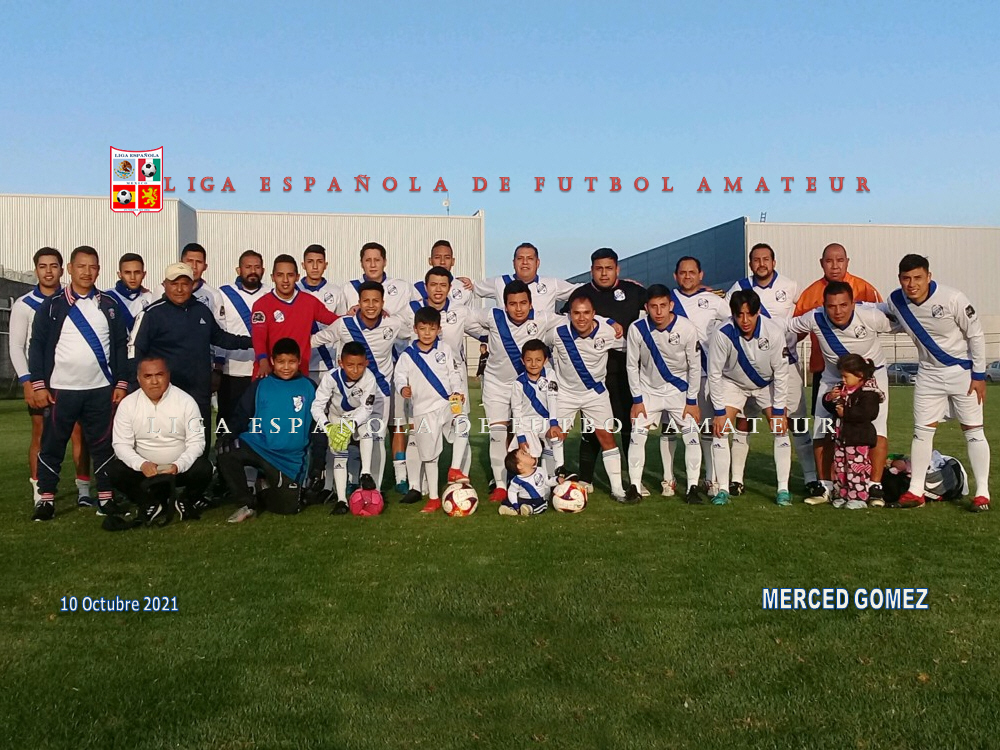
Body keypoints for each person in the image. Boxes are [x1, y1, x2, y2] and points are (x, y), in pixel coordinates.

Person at [27, 246, 129, 521]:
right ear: (70, 269)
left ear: (99, 270)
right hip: (61, 390)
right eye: (81, 266)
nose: (87, 272)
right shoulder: (53, 305)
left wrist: (121, 383)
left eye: (92, 267)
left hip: (100, 389)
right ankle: (46, 499)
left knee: (103, 445)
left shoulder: (109, 304)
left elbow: (121, 345)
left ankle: (105, 498)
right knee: (52, 445)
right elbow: (37, 346)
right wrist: (39, 384)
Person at [882, 254, 990, 511]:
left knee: (973, 431)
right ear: (899, 279)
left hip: (962, 373)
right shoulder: (895, 300)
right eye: (906, 278)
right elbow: (883, 316)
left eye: (918, 277)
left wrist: (978, 375)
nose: (912, 284)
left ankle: (982, 493)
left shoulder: (953, 298)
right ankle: (915, 491)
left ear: (929, 276)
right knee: (921, 432)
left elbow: (975, 335)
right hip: (928, 374)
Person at [786, 281, 894, 506]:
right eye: (832, 306)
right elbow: (785, 326)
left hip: (872, 378)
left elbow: (905, 322)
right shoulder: (815, 318)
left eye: (843, 305)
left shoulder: (871, 316)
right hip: (832, 378)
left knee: (877, 428)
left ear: (853, 303)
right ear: (823, 305)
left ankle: (874, 487)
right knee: (822, 429)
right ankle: (824, 486)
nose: (838, 311)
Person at [725, 243, 819, 498]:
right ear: (750, 263)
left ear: (774, 262)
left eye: (766, 259)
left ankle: (811, 478)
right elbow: (725, 318)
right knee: (745, 422)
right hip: (749, 368)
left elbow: (806, 314)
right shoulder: (738, 288)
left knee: (797, 422)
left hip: (786, 364)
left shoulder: (790, 286)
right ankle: (736, 479)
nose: (761, 264)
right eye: (756, 260)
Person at [131, 262, 254, 453]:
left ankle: (201, 471)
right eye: (174, 284)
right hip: (168, 391)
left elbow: (221, 338)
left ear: (192, 285)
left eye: (185, 284)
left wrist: (255, 341)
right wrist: (136, 385)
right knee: (170, 441)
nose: (180, 289)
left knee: (199, 442)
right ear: (165, 284)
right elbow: (135, 351)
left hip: (199, 390)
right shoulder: (152, 314)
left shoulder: (201, 310)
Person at [463, 280, 562, 501]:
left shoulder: (542, 318)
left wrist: (609, 323)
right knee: (498, 435)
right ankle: (500, 485)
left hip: (528, 388)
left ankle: (542, 478)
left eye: (523, 303)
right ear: (505, 305)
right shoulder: (492, 316)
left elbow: (574, 320)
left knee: (536, 433)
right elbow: (463, 314)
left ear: (530, 303)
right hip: (496, 386)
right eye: (513, 304)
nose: (518, 308)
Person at [9, 247, 91, 506]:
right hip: (42, 382)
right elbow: (16, 346)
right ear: (36, 270)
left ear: (62, 269)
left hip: (73, 380)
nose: (48, 271)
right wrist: (27, 381)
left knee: (79, 433)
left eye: (53, 266)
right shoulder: (24, 304)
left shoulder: (74, 299)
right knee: (41, 434)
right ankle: (40, 491)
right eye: (43, 266)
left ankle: (84, 490)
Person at [311, 280, 409, 488]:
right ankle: (345, 484)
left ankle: (374, 490)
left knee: (376, 438)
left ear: (383, 303)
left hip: (380, 393)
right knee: (344, 439)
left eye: (376, 301)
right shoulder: (344, 324)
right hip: (348, 393)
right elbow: (315, 340)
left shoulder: (393, 324)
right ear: (359, 302)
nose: (371, 305)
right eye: (366, 301)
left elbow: (419, 335)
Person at [567, 248, 647, 495]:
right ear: (591, 270)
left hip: (626, 371)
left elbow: (660, 303)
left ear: (617, 269)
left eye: (609, 268)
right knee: (592, 428)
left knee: (628, 426)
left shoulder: (633, 291)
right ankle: (586, 479)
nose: (604, 273)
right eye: (599, 268)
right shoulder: (581, 294)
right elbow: (567, 322)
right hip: (592, 376)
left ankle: (634, 480)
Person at [707, 289, 792, 507]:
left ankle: (783, 489)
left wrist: (779, 410)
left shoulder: (773, 331)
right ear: (733, 314)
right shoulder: (722, 333)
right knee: (721, 428)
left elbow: (781, 372)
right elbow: (714, 374)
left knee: (780, 427)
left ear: (758, 312)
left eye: (750, 314)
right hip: (733, 383)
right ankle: (723, 488)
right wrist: (719, 412)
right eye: (739, 315)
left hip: (766, 384)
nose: (745, 320)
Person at [222, 338, 317, 523]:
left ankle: (263, 487)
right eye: (281, 362)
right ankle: (246, 503)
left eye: (291, 362)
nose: (286, 367)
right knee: (225, 449)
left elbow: (317, 427)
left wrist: (318, 464)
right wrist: (230, 433)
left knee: (288, 509)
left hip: (289, 459)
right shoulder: (260, 385)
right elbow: (242, 414)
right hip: (259, 446)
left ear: (299, 361)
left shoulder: (309, 387)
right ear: (272, 361)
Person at [546, 292, 628, 502]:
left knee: (606, 437)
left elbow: (632, 347)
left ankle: (618, 489)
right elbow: (538, 348)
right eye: (576, 313)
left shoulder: (608, 332)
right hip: (565, 394)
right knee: (555, 438)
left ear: (594, 314)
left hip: (596, 394)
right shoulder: (557, 332)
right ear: (569, 314)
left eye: (586, 313)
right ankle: (549, 485)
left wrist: (610, 322)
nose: (581, 318)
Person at [625, 284, 703, 504]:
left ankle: (693, 487)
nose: (658, 311)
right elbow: (631, 365)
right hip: (648, 392)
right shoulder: (637, 329)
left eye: (663, 305)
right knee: (637, 436)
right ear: (646, 307)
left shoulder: (687, 328)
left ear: (671, 305)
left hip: (679, 392)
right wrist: (637, 400)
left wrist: (692, 400)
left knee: (691, 436)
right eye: (653, 306)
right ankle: (634, 486)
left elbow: (694, 366)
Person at [109, 356, 211, 521]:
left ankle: (185, 501)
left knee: (204, 468)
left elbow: (197, 442)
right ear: (139, 378)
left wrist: (179, 465)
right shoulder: (128, 405)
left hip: (178, 469)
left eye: (159, 375)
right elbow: (121, 445)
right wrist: (142, 464)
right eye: (148, 376)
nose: (154, 381)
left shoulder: (186, 401)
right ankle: (150, 503)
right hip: (144, 470)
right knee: (115, 470)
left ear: (168, 375)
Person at [400, 266, 475, 483]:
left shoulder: (460, 310)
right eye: (433, 285)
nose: (438, 290)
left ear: (450, 288)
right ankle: (417, 485)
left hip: (453, 384)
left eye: (443, 285)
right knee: (417, 433)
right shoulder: (411, 309)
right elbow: (389, 323)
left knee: (461, 427)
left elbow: (484, 325)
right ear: (426, 287)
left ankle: (460, 479)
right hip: (421, 386)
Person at [395, 306, 470, 512]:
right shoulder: (408, 355)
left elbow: (453, 374)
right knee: (429, 456)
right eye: (423, 328)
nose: (427, 333)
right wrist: (403, 388)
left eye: (432, 328)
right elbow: (399, 376)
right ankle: (434, 498)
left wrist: (457, 391)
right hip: (423, 411)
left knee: (463, 422)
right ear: (415, 329)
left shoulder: (444, 349)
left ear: (439, 329)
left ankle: (455, 468)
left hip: (446, 404)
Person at [793, 243, 882, 416]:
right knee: (824, 424)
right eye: (829, 261)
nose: (835, 266)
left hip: (860, 372)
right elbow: (795, 332)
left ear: (847, 262)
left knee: (863, 422)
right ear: (821, 263)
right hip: (825, 369)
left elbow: (882, 320)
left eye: (840, 260)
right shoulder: (810, 294)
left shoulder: (864, 289)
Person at [671, 256, 729, 494]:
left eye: (692, 272)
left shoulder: (714, 300)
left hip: (706, 373)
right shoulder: (668, 300)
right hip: (674, 376)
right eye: (683, 273)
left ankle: (710, 477)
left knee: (708, 426)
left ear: (700, 275)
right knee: (672, 428)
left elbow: (733, 324)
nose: (687, 277)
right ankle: (668, 478)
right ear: (676, 276)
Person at [311, 341, 382, 515]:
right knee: (339, 455)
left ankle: (365, 474)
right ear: (340, 363)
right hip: (335, 420)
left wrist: (352, 424)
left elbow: (366, 408)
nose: (355, 370)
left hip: (357, 417)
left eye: (360, 365)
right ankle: (342, 500)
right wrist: (328, 427)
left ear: (366, 363)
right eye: (350, 365)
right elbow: (316, 407)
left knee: (367, 431)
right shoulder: (330, 378)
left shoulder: (369, 378)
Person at [250, 255, 339, 378]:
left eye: (290, 275)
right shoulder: (261, 304)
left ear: (297, 277)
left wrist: (357, 316)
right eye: (280, 275)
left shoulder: (309, 302)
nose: (285, 280)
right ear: (272, 277)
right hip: (268, 372)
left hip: (298, 373)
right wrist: (263, 360)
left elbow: (335, 320)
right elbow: (258, 337)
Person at [821, 354, 884, 510]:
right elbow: (832, 408)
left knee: (857, 468)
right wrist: (830, 398)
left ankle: (858, 497)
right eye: (841, 376)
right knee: (840, 467)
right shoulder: (842, 389)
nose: (843, 380)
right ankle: (842, 494)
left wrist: (846, 413)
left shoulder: (869, 393)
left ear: (860, 375)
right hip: (841, 436)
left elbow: (869, 413)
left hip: (858, 438)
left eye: (846, 376)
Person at [216, 250, 270, 430]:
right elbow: (220, 331)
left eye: (257, 267)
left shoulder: (271, 293)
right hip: (232, 370)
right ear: (238, 270)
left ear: (263, 270)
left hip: (262, 369)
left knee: (259, 420)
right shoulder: (223, 294)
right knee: (228, 420)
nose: (252, 271)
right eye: (248, 267)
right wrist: (218, 365)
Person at [460, 242, 579, 312]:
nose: (525, 262)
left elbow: (580, 291)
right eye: (520, 258)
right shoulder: (500, 282)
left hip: (541, 347)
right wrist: (458, 282)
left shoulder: (551, 284)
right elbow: (471, 287)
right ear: (513, 262)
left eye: (530, 259)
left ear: (537, 263)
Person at [511, 339, 564, 478]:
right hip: (527, 424)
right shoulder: (518, 383)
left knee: (556, 437)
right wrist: (521, 436)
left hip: (546, 420)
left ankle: (558, 473)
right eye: (529, 360)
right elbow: (516, 411)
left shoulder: (550, 375)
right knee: (528, 455)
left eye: (538, 360)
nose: (534, 364)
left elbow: (552, 398)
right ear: (522, 361)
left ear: (545, 360)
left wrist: (554, 423)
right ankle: (525, 481)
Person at [297, 243, 342, 378]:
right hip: (299, 362)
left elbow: (342, 327)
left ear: (326, 265)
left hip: (329, 364)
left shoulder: (336, 291)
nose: (315, 266)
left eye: (319, 262)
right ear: (303, 265)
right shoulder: (294, 291)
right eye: (310, 262)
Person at [337, 242, 417, 316]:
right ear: (361, 263)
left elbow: (415, 318)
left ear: (384, 262)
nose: (373, 265)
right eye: (368, 260)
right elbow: (339, 321)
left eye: (377, 260)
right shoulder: (348, 289)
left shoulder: (403, 287)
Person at [103, 252, 154, 333]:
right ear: (119, 274)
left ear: (144, 274)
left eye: (137, 272)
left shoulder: (150, 298)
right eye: (127, 272)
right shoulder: (106, 298)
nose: (132, 277)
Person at [413, 240, 474, 307]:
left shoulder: (464, 288)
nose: (442, 262)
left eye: (447, 258)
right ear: (430, 261)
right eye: (437, 257)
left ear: (453, 261)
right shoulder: (417, 289)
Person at [499, 448, 556, 516]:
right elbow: (512, 492)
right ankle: (512, 509)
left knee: (541, 505)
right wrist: (515, 504)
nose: (528, 453)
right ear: (520, 466)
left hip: (537, 499)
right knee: (509, 501)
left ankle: (528, 509)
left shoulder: (540, 470)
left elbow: (547, 481)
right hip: (522, 500)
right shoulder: (516, 480)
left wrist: (557, 480)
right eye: (523, 454)